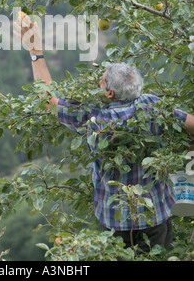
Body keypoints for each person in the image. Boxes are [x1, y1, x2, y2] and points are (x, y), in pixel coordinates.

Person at [15, 15, 194, 252]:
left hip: (116, 223)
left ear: (109, 94)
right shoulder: (152, 106)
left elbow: (46, 99)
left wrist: (35, 50)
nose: (96, 85)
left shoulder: (94, 118)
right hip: (156, 218)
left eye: (100, 82)